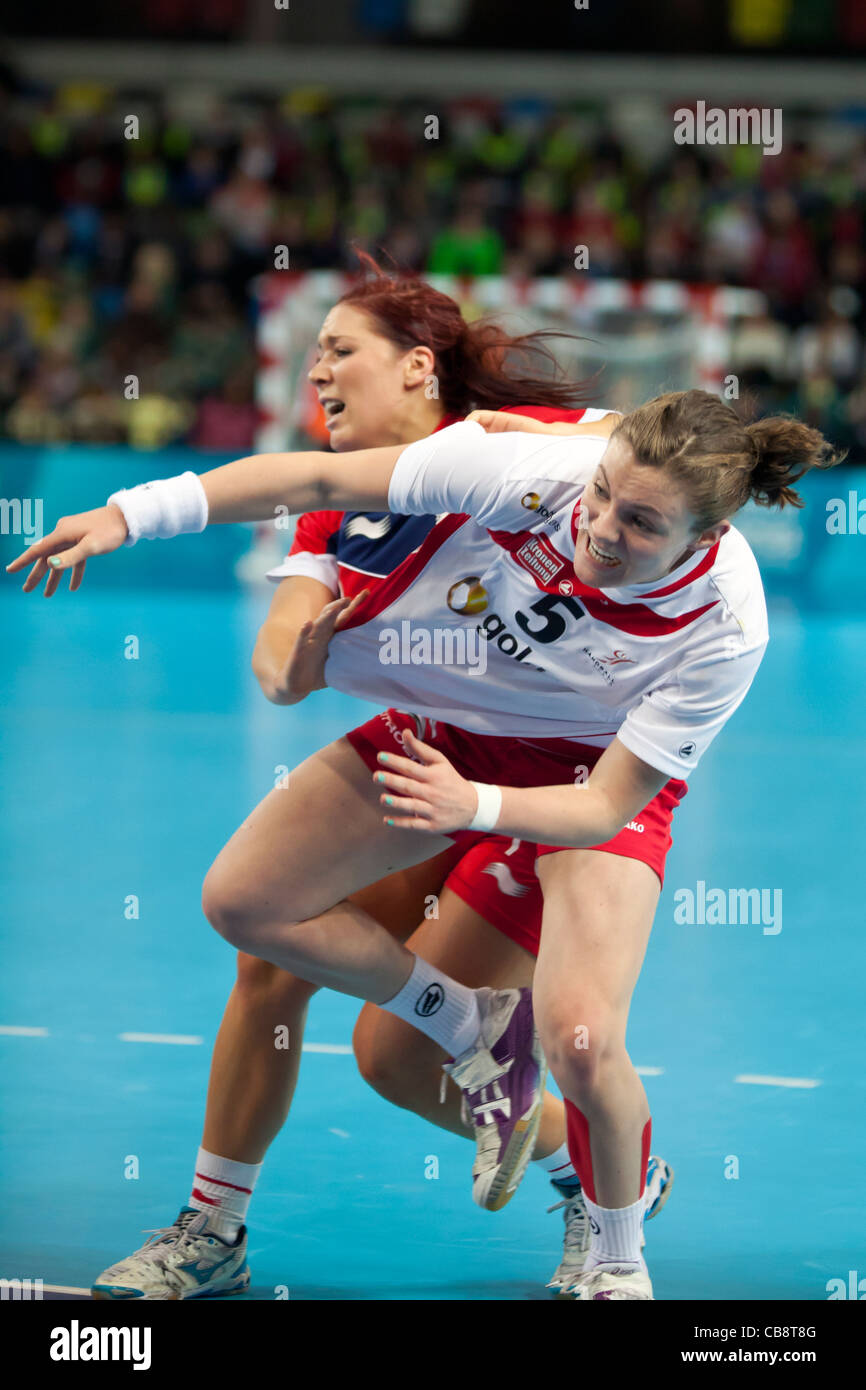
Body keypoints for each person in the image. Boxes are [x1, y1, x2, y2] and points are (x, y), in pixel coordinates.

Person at [11, 387, 838, 1300]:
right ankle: (467, 1025)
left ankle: (614, 1253)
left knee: (580, 1039)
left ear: (705, 536)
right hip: (455, 729)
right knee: (246, 906)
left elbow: (604, 808)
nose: (599, 527)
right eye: (602, 494)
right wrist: (131, 513)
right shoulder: (529, 473)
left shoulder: (727, 620)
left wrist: (475, 804)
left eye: (641, 522)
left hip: (584, 777)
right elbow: (319, 475)